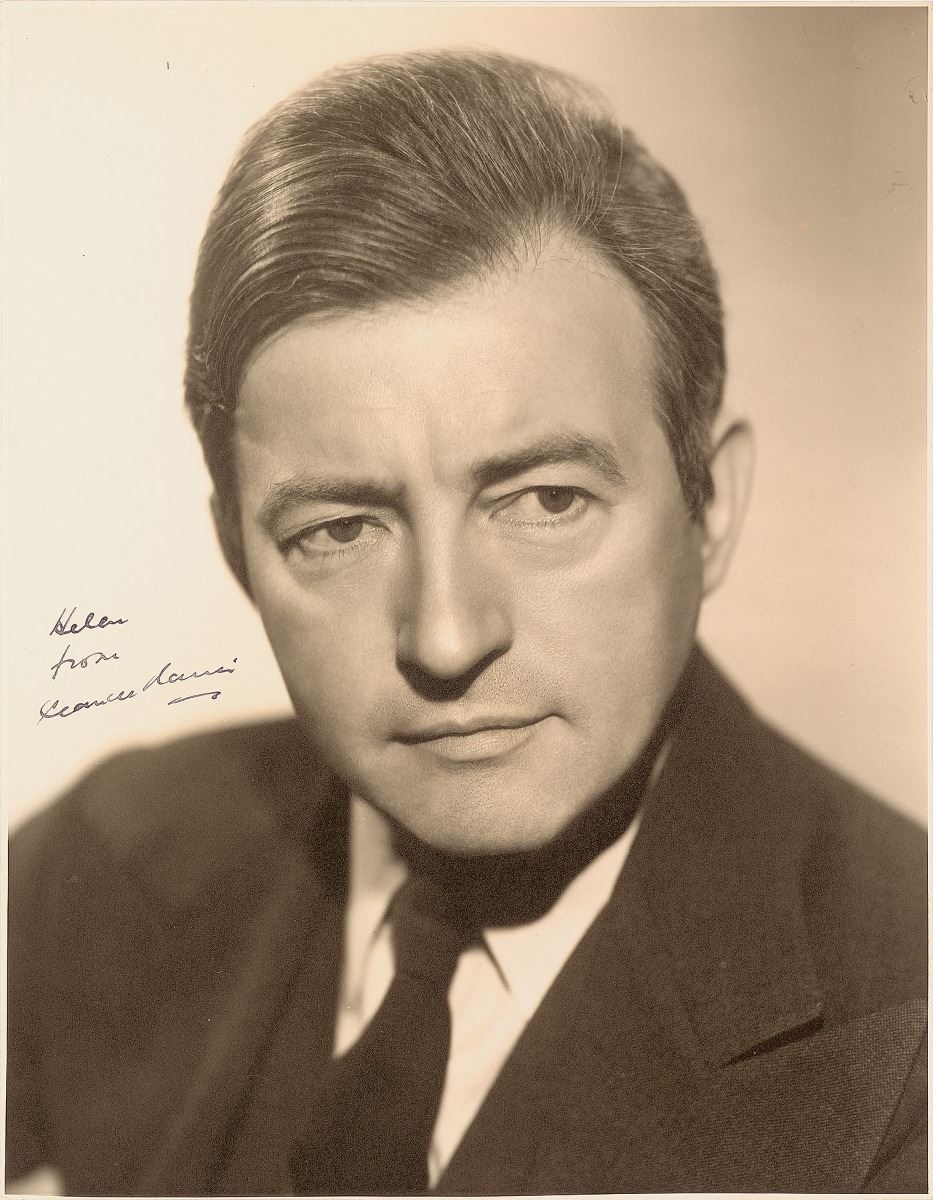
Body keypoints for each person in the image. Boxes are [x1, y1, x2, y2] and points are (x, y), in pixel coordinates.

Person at [7, 48, 926, 1196]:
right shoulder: (85, 867)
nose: (445, 640)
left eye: (546, 502)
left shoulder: (907, 1019)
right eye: (341, 529)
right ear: (237, 551)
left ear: (713, 509)